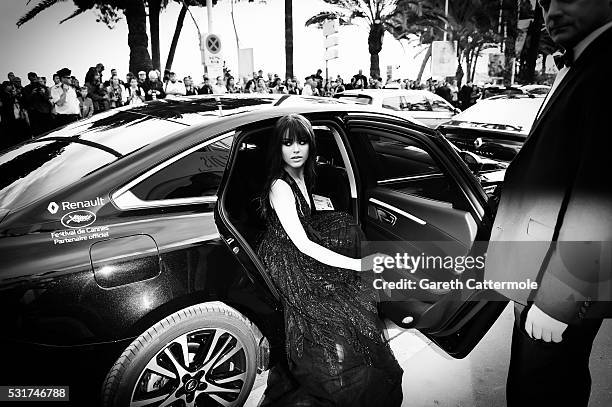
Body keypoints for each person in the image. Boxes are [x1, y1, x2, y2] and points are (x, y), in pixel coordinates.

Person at [484, 1, 612, 406]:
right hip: (540, 272)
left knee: (543, 391)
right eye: (543, 1)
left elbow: (601, 199)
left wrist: (560, 301)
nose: (551, 10)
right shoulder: (586, 64)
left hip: (559, 284)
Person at [256, 114, 403, 406]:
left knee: (345, 223)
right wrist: (359, 265)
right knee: (333, 309)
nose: (296, 149)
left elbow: (306, 215)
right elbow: (302, 244)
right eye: (288, 143)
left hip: (300, 240)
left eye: (302, 142)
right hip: (286, 254)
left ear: (311, 145)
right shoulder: (279, 185)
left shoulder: (302, 173)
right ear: (278, 148)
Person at [21, 72, 53, 136]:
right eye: (31, 76)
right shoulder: (26, 89)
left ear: (36, 76)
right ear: (28, 78)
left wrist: (43, 93)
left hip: (45, 112)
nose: (33, 78)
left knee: (49, 131)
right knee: (38, 133)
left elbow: (47, 98)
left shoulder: (43, 87)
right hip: (34, 114)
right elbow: (25, 101)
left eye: (34, 76)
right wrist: (32, 94)